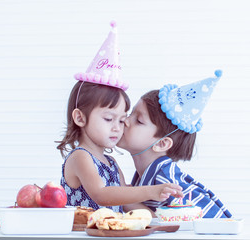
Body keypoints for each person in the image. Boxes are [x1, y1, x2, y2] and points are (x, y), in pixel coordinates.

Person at [57, 21, 183, 213]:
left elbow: (126, 202)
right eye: (108, 119)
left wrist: (158, 219)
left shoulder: (112, 163)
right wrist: (150, 191)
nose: (118, 127)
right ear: (80, 118)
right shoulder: (80, 157)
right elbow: (102, 194)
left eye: (122, 119)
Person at [117, 70, 232, 218]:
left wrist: (122, 196)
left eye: (138, 120)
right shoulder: (147, 175)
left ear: (162, 143)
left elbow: (168, 223)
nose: (125, 120)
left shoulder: (167, 180)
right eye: (130, 113)